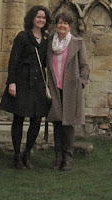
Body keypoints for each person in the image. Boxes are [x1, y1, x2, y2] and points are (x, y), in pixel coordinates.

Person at [0, 5, 51, 169]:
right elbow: (14, 59)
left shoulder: (45, 40)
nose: (41, 20)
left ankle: (27, 153)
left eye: (43, 17)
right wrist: (11, 82)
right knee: (19, 118)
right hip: (22, 81)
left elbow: (46, 63)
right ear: (32, 19)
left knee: (36, 120)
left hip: (38, 84)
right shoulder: (22, 36)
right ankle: (16, 155)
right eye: (38, 17)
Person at [46, 11, 89, 171]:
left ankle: (68, 158)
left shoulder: (77, 42)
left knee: (68, 124)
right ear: (56, 25)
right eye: (59, 23)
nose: (62, 25)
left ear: (69, 26)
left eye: (65, 23)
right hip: (54, 88)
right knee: (57, 123)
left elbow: (85, 65)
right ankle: (58, 158)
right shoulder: (50, 43)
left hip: (71, 88)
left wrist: (81, 82)